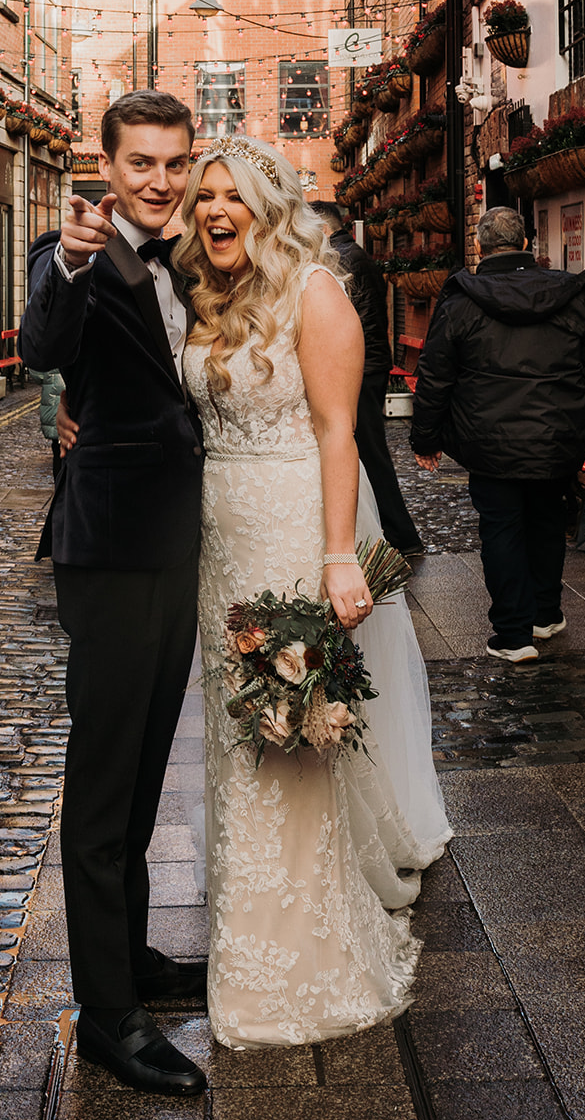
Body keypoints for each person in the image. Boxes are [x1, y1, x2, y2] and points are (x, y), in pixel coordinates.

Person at [174, 135, 451, 1050]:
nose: (216, 210)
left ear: (269, 207)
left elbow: (341, 434)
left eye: (235, 196)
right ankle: (243, 925)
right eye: (206, 194)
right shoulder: (202, 294)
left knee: (291, 730)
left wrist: (338, 557)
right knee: (232, 729)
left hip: (292, 532)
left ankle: (302, 949)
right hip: (221, 537)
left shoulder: (316, 294)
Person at [19, 91, 208, 1098]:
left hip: (174, 552)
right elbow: (42, 344)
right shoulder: (75, 256)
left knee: (140, 779)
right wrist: (80, 257)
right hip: (110, 554)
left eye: (175, 162)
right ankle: (107, 1019)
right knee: (101, 793)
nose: (162, 180)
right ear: (106, 163)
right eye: (142, 163)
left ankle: (129, 959)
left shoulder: (187, 256)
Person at [409, 206, 585, 663]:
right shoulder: (572, 295)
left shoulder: (461, 301)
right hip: (556, 437)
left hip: (489, 441)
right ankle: (546, 615)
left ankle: (514, 635)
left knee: (502, 529)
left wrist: (426, 438)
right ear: (528, 245)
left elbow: (435, 376)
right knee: (547, 521)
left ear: (479, 246)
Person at [310, 199, 424, 555]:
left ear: (323, 229)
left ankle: (400, 536)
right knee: (371, 452)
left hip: (360, 370)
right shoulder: (353, 254)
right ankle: (397, 534)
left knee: (370, 454)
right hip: (370, 366)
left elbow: (345, 323)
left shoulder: (340, 259)